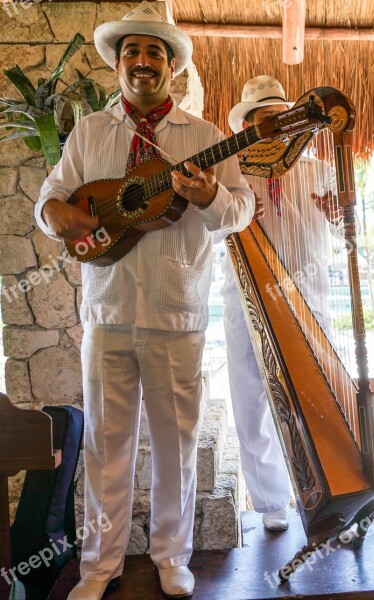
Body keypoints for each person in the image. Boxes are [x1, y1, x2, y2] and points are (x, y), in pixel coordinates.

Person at [34, 3, 254, 599]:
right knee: (107, 446)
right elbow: (52, 197)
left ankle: (171, 557)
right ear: (118, 64)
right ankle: (98, 567)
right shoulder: (90, 133)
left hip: (176, 313)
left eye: (155, 52)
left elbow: (240, 210)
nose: (142, 61)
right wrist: (59, 217)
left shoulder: (204, 137)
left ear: (173, 66)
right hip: (106, 313)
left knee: (177, 445)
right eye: (132, 51)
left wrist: (209, 197)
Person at [220, 76, 340, 531]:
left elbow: (341, 234)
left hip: (310, 300)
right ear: (247, 127)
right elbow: (207, 232)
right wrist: (236, 215)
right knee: (251, 400)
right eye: (265, 120)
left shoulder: (316, 170)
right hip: (244, 296)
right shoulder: (230, 176)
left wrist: (338, 216)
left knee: (317, 398)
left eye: (282, 118)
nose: (275, 127)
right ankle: (271, 504)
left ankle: (325, 488)